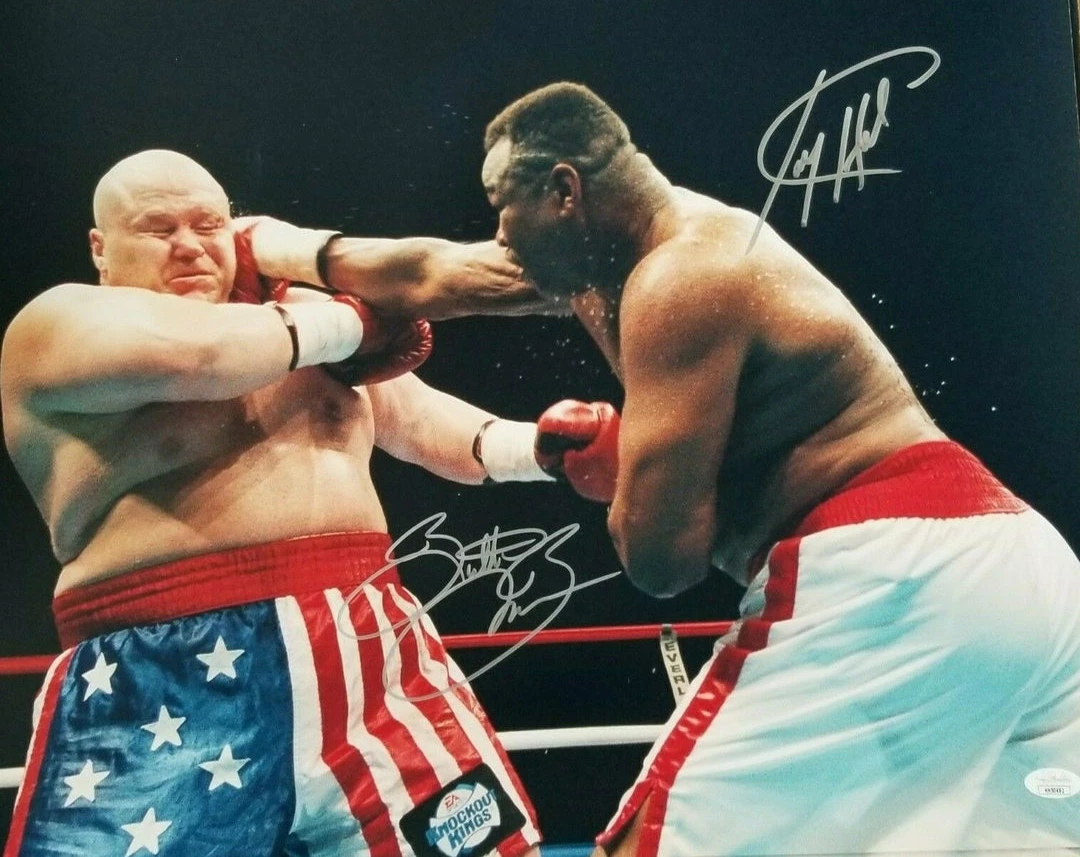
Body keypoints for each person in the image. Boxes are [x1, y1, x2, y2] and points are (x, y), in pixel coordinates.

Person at [479, 83, 1080, 856]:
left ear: (564, 191)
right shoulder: (708, 242)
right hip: (1028, 572)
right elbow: (430, 274)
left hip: (892, 575)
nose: (498, 236)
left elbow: (662, 563)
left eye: (500, 205)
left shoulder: (677, 276)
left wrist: (624, 480)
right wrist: (321, 259)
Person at [0, 148, 619, 857]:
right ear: (100, 248)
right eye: (158, 229)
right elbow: (201, 358)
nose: (189, 246)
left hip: (365, 646)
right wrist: (352, 316)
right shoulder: (56, 325)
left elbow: (422, 424)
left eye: (209, 225)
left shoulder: (305, 319)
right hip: (163, 678)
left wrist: (542, 450)